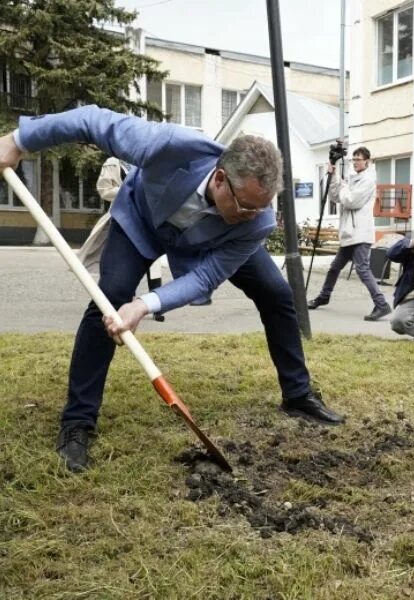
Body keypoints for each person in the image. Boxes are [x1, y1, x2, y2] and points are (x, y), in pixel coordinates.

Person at [0, 105, 344, 473]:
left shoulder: (254, 221)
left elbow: (205, 277)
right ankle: (77, 422)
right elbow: (92, 121)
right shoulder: (170, 146)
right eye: (246, 206)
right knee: (111, 300)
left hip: (209, 243)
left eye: (261, 209)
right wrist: (18, 140)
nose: (254, 215)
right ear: (219, 179)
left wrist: (145, 305)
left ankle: (298, 394)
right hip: (141, 223)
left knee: (276, 294)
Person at [77, 156, 169, 321]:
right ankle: (123, 303)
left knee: (154, 265)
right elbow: (104, 189)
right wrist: (131, 189)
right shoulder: (113, 162)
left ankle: (157, 308)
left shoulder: (146, 160)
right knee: (124, 265)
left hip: (148, 219)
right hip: (123, 218)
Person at [307, 146, 392, 321]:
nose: (355, 163)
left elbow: (351, 201)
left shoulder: (368, 181)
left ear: (367, 161)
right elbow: (336, 196)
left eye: (358, 160)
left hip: (360, 233)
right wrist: (334, 176)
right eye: (353, 160)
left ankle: (381, 304)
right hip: (349, 234)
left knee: (362, 269)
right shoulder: (353, 179)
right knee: (334, 267)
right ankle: (324, 296)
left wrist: (344, 186)